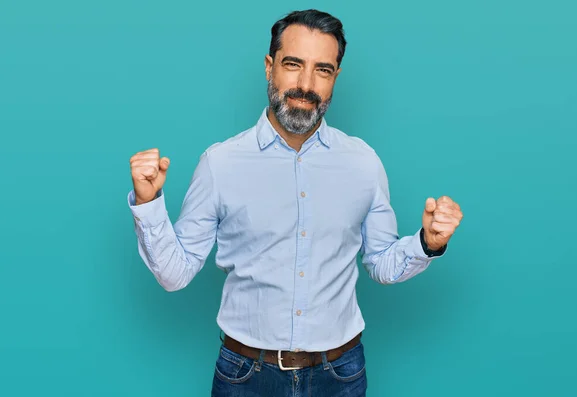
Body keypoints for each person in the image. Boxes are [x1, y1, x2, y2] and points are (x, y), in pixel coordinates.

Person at [127, 9, 463, 397]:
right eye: (293, 64)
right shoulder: (220, 163)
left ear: (335, 76)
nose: (305, 84)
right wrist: (148, 202)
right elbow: (175, 273)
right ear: (270, 67)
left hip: (341, 375)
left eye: (322, 69)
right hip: (246, 376)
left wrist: (428, 243)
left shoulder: (363, 162)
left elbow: (382, 263)